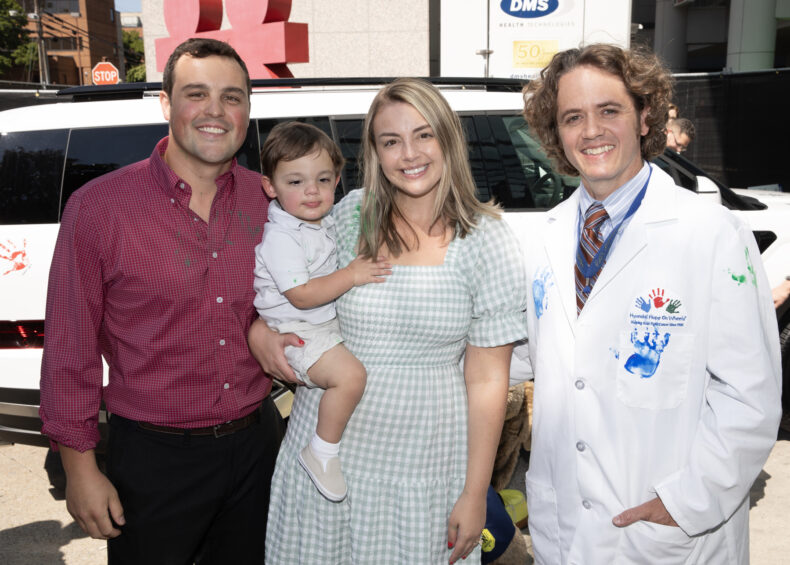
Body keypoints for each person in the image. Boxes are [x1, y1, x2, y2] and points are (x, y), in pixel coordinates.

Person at [518, 43, 781, 564]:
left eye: (608, 110)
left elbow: (750, 396)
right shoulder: (542, 239)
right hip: (567, 527)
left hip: (668, 530)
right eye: (573, 117)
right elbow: (524, 357)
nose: (591, 131)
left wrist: (684, 502)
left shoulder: (712, 232)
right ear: (557, 132)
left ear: (644, 116)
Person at [251, 78, 528, 565]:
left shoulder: (487, 239)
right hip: (327, 457)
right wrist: (258, 333)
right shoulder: (350, 213)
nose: (409, 154)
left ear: (448, 138)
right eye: (390, 140)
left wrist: (474, 492)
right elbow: (285, 289)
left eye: (424, 135)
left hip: (424, 465)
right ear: (375, 152)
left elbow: (487, 378)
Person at [39, 38, 283, 565]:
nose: (216, 111)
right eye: (197, 94)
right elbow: (69, 348)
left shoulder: (273, 204)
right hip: (152, 460)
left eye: (233, 97)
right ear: (167, 105)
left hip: (258, 447)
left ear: (248, 109)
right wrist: (80, 469)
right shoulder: (99, 209)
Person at [253, 121, 391, 501]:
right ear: (270, 187)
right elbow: (301, 294)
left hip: (318, 327)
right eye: (295, 182)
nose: (311, 191)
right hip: (298, 332)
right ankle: (321, 451)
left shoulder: (323, 220)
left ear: (337, 179)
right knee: (350, 377)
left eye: (323, 180)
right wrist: (352, 274)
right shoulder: (283, 236)